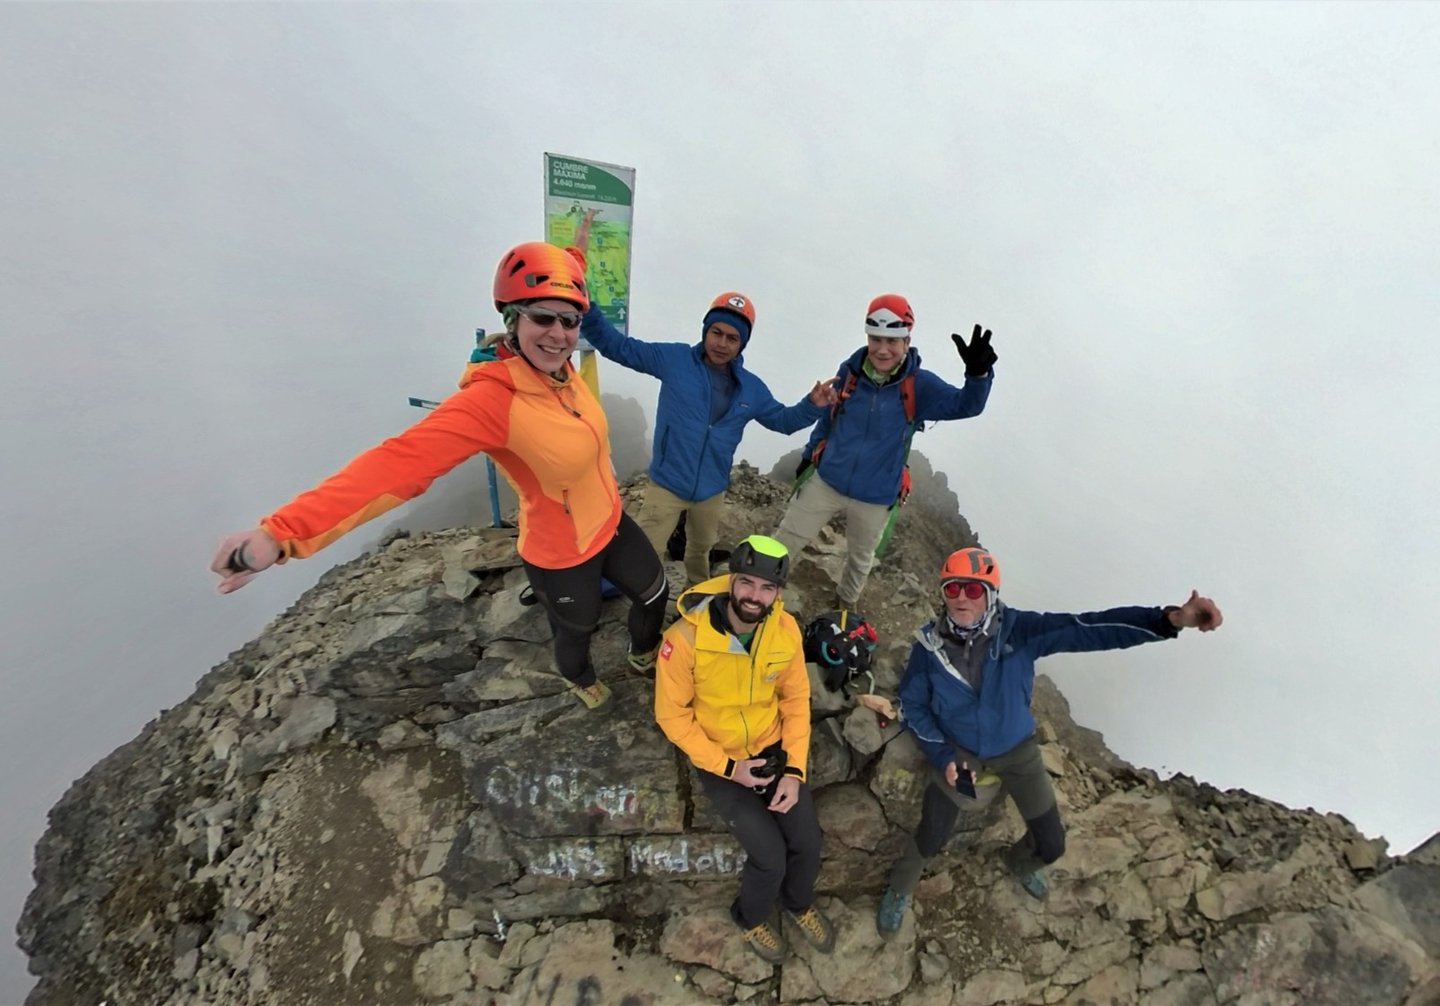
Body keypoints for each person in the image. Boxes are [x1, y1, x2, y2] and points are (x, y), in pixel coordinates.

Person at [209, 240, 669, 710]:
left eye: (569, 320)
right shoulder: (489, 402)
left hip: (609, 522)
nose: (559, 333)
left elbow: (567, 281)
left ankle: (642, 653)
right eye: (542, 317)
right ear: (512, 319)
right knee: (578, 628)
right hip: (558, 551)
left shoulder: (561, 372)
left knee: (656, 594)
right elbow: (395, 465)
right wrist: (281, 533)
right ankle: (580, 678)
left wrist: (575, 252)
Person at [875, 546, 1223, 938]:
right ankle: (899, 889)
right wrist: (942, 756)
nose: (960, 598)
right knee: (932, 832)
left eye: (973, 590)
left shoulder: (1020, 632)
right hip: (962, 752)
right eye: (952, 588)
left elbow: (1090, 628)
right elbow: (915, 706)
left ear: (991, 595)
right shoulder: (928, 648)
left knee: (1052, 845)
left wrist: (1170, 619)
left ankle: (1018, 864)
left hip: (1018, 751)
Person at [653, 535, 834, 964]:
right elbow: (672, 717)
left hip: (772, 751)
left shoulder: (784, 629)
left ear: (778, 592)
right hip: (721, 761)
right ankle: (750, 917)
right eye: (748, 583)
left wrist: (794, 771)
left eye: (767, 588)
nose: (755, 596)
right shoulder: (684, 640)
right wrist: (728, 767)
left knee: (807, 842)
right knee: (769, 856)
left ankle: (797, 903)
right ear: (731, 581)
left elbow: (794, 700)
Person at [579, 291, 837, 592]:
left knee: (700, 549)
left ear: (742, 344)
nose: (722, 343)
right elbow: (619, 347)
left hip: (711, 491)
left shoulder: (751, 389)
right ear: (705, 331)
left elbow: (783, 421)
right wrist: (586, 307)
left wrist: (811, 404)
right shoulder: (674, 360)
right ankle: (639, 599)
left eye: (732, 338)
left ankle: (696, 595)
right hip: (667, 483)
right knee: (648, 551)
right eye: (717, 333)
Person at [774, 294, 996, 610]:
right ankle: (762, 590)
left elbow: (967, 405)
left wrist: (978, 376)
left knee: (860, 558)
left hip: (876, 494)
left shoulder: (920, 385)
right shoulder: (850, 372)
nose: (882, 349)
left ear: (907, 341)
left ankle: (843, 607)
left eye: (892, 341)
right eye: (876, 339)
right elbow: (830, 417)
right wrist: (809, 456)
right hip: (828, 479)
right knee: (787, 539)